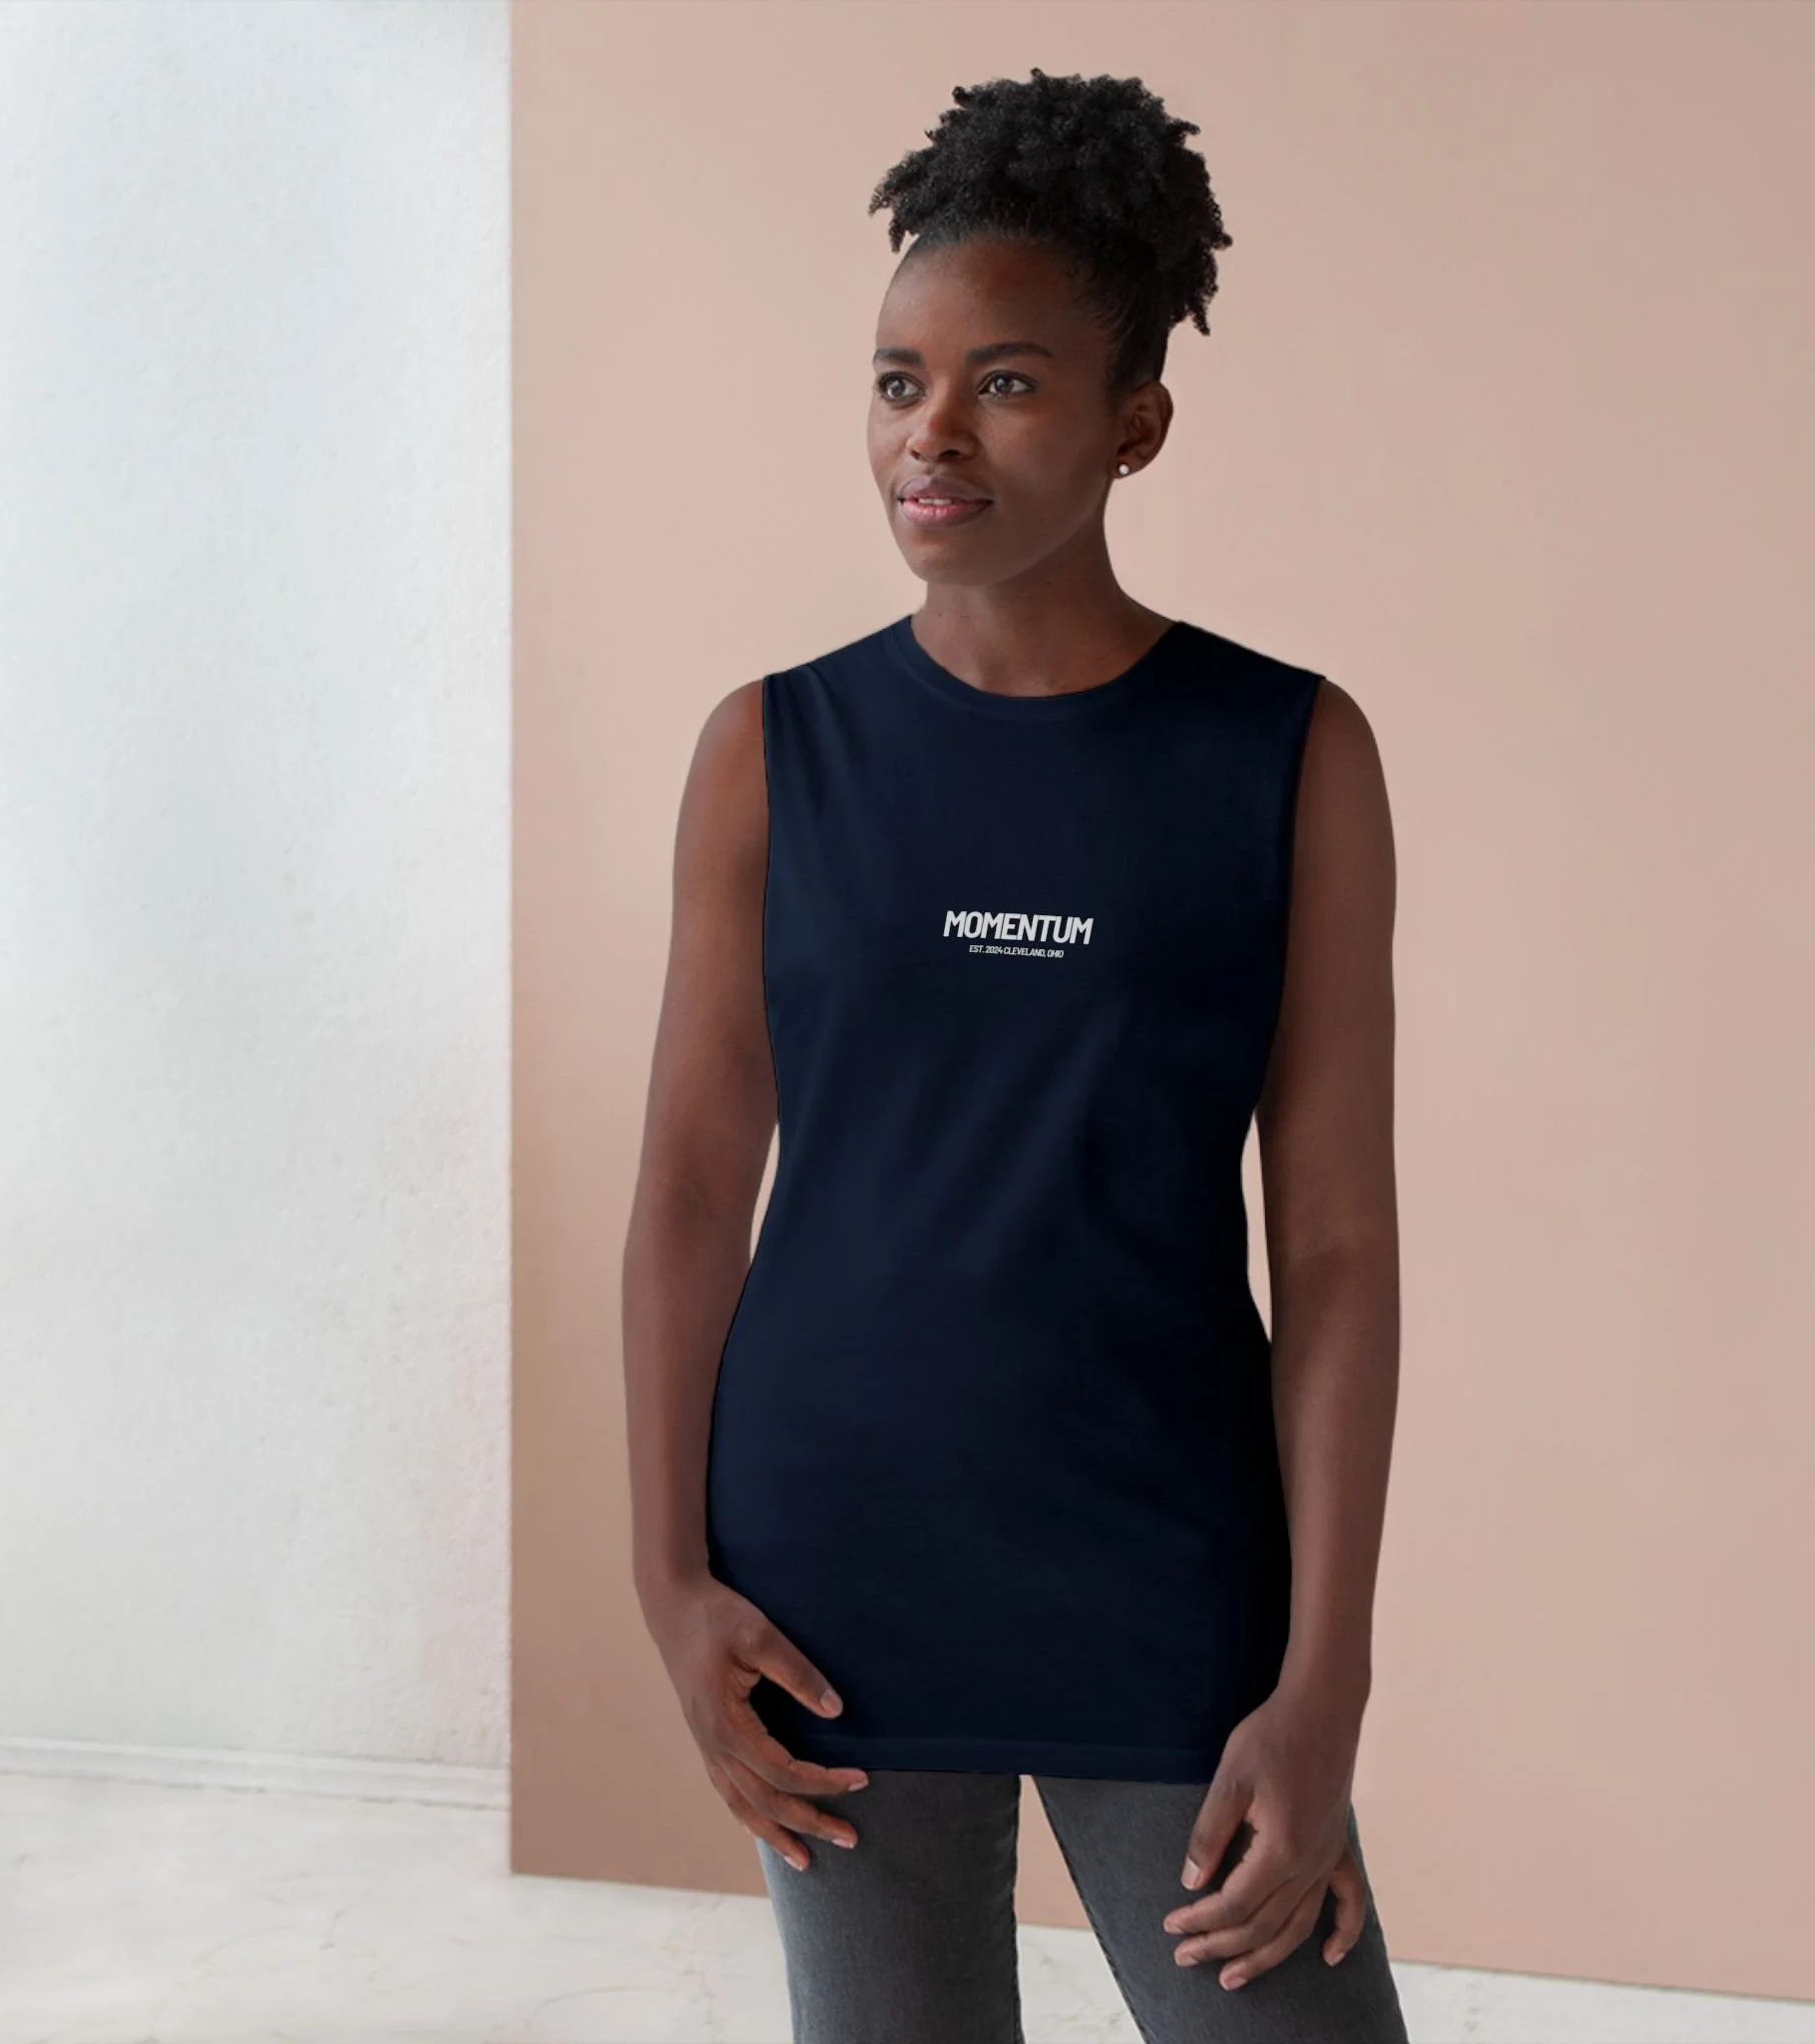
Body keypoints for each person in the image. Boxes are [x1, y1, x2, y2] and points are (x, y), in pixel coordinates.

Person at [622, 66, 1407, 2044]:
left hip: (1168, 1563)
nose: (934, 432)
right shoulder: (770, 752)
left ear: (1137, 420)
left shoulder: (1287, 754)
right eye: (901, 381)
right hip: (826, 1583)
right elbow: (694, 1194)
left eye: (1008, 382)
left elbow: (1332, 1247)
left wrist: (1325, 1674)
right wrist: (665, 1583)